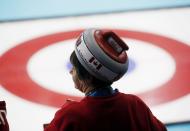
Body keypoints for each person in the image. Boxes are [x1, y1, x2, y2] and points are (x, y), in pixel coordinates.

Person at [44, 28, 167, 131]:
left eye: (74, 68)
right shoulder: (134, 105)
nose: (70, 72)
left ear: (88, 76)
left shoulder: (71, 115)